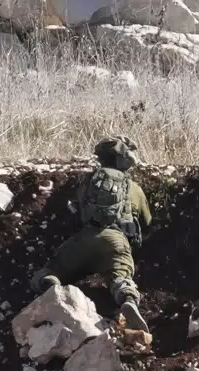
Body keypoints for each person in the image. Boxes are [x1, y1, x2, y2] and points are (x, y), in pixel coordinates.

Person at [31, 136, 153, 333]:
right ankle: (127, 297)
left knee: (54, 269)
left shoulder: (88, 182)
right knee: (120, 276)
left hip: (85, 238)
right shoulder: (134, 188)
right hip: (117, 242)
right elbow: (147, 223)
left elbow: (79, 213)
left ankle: (51, 284)